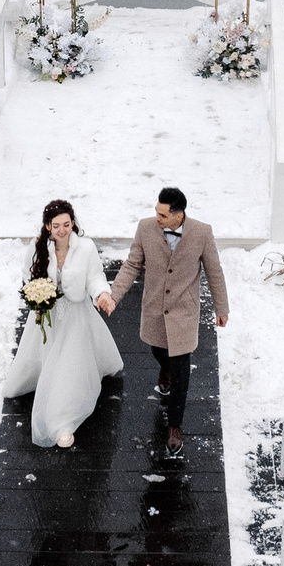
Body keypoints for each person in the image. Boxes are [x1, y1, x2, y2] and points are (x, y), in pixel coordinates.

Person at [102, 186, 230, 463]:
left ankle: (174, 426)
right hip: (154, 310)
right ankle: (165, 370)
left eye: (162, 214)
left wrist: (222, 308)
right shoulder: (146, 228)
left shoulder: (202, 233)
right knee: (159, 352)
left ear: (178, 214)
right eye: (156, 212)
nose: (156, 217)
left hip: (184, 313)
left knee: (182, 370)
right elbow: (132, 265)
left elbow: (214, 272)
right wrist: (113, 295)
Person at [1, 199, 123, 448]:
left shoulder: (86, 249)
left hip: (76, 314)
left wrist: (102, 294)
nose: (62, 230)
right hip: (46, 316)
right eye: (56, 225)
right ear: (47, 226)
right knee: (46, 357)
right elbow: (28, 277)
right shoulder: (37, 250)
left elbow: (95, 277)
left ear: (73, 223)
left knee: (70, 363)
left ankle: (63, 420)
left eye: (67, 224)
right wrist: (36, 299)